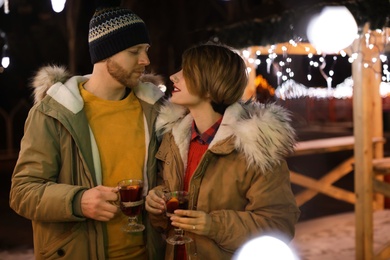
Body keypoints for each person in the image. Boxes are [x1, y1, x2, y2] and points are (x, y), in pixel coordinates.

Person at [9, 2, 166, 259]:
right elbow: (22, 192)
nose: (145, 60)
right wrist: (77, 201)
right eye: (134, 51)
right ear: (105, 54)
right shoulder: (54, 113)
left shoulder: (155, 109)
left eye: (146, 50)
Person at [145, 42, 300, 259]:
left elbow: (278, 225)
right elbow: (165, 214)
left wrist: (213, 225)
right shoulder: (172, 139)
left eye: (186, 72)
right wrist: (157, 202)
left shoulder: (256, 147)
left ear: (211, 84)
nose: (173, 76)